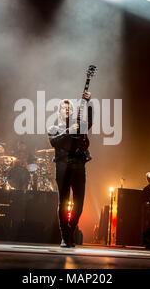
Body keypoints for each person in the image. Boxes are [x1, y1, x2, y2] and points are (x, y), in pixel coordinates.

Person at [48, 91, 93, 248]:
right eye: (64, 109)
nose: (67, 111)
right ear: (59, 111)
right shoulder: (54, 127)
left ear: (73, 111)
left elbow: (91, 122)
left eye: (69, 109)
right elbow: (54, 142)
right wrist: (69, 130)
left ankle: (70, 231)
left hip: (79, 165)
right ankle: (64, 236)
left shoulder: (80, 126)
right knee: (63, 200)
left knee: (79, 203)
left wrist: (88, 103)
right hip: (62, 166)